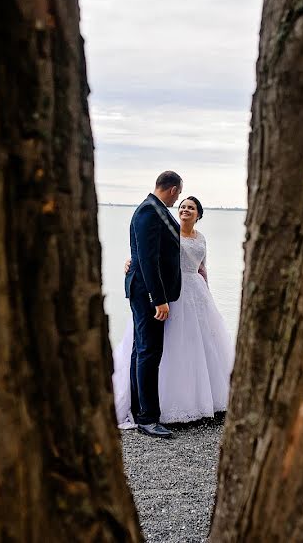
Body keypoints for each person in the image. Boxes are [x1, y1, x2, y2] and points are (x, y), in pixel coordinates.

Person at [114, 195, 235, 431]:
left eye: (191, 207)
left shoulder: (201, 239)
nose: (185, 209)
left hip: (196, 293)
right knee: (167, 344)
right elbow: (150, 254)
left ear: (198, 214)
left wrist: (208, 294)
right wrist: (131, 262)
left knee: (198, 345)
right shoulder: (169, 232)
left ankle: (203, 398)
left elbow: (202, 268)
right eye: (182, 206)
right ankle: (160, 404)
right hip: (172, 293)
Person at [124, 171, 184, 438]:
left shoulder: (153, 209)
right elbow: (148, 260)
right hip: (147, 293)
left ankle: (140, 410)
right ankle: (148, 418)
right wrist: (158, 299)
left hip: (144, 290)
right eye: (179, 194)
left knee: (142, 350)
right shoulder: (149, 211)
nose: (177, 199)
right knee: (149, 352)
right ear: (172, 189)